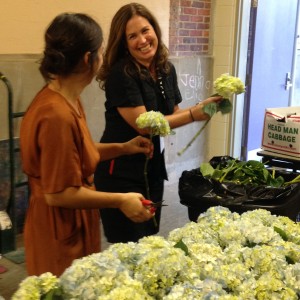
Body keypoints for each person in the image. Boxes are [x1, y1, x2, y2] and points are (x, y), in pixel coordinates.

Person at [20, 12, 154, 277]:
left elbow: (74, 154)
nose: (103, 57)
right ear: (87, 59)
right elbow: (58, 193)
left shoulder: (67, 97)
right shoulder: (55, 114)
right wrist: (120, 200)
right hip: (57, 230)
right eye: (101, 51)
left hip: (74, 223)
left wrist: (123, 147)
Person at [94, 2, 222, 243]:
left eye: (145, 30)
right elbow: (144, 126)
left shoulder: (165, 68)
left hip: (152, 167)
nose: (142, 40)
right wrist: (195, 113)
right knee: (129, 245)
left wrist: (207, 106)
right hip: (121, 171)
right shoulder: (122, 74)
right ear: (124, 43)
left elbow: (173, 113)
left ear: (155, 30)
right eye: (132, 36)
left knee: (150, 238)